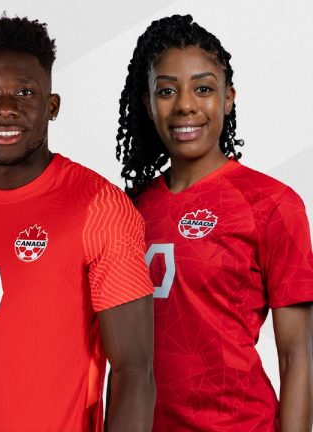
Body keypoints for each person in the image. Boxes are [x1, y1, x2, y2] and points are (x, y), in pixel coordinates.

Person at [0, 15, 155, 431]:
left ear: (52, 106)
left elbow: (133, 371)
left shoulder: (100, 206)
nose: (6, 108)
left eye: (25, 92)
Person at [116, 14, 313, 431]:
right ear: (149, 105)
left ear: (228, 98)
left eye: (203, 88)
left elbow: (298, 355)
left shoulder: (272, 204)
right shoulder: (124, 211)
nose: (185, 104)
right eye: (166, 91)